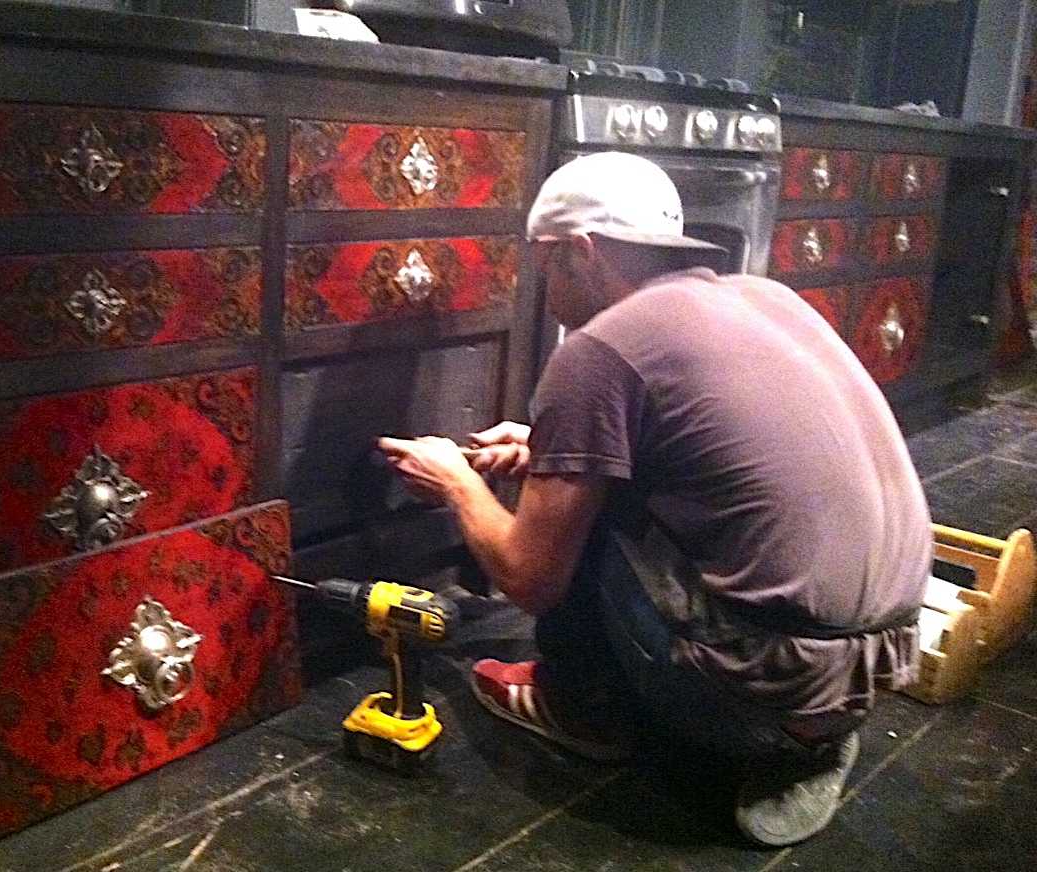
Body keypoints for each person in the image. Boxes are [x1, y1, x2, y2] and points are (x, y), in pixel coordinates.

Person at [376, 151, 930, 847]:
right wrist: (552, 450)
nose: (544, 289)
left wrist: (456, 483)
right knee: (610, 489)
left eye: (545, 265)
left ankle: (585, 710)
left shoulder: (597, 350)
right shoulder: (768, 297)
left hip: (753, 698)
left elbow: (529, 579)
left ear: (581, 252)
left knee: (586, 521)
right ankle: (814, 734)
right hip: (880, 669)